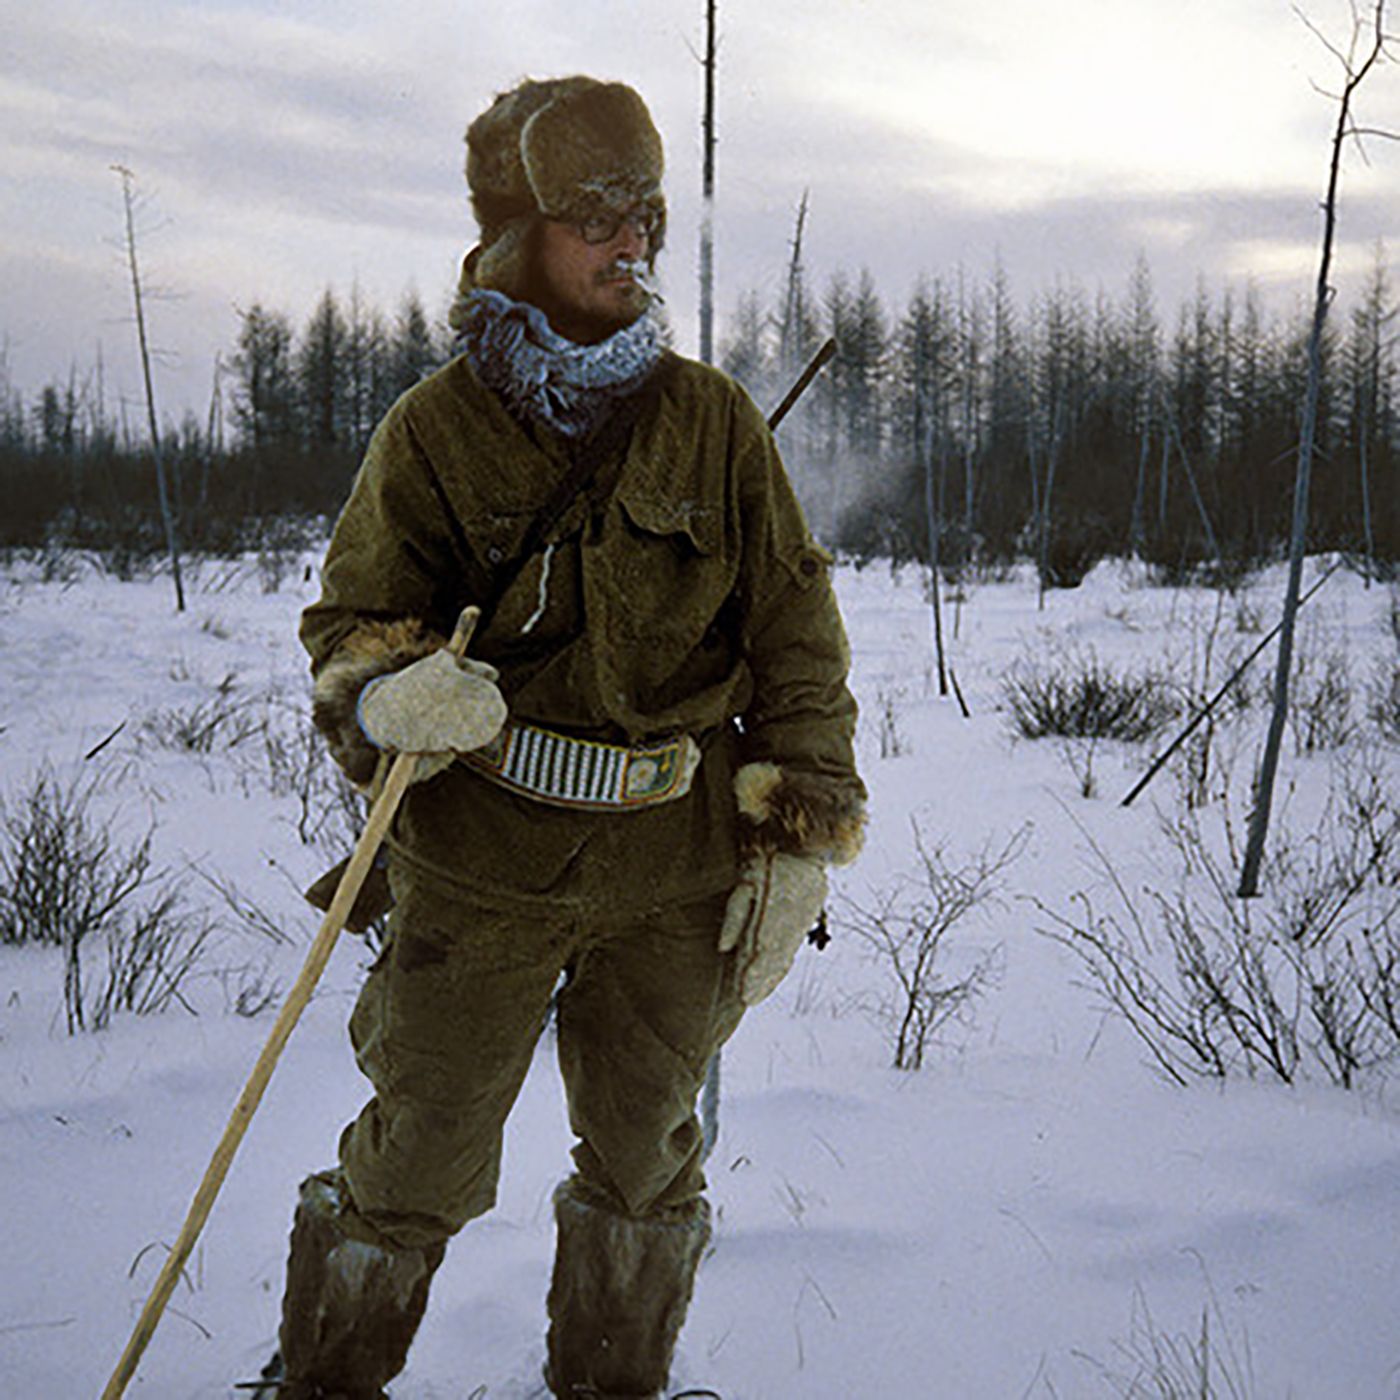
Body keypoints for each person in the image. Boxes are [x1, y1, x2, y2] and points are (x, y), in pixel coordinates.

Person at [263, 75, 865, 1400]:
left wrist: (804, 832)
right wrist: (387, 693)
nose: (629, 238)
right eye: (596, 213)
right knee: (418, 1153)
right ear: (521, 233)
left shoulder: (711, 426)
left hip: (673, 869)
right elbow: (354, 621)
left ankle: (613, 1386)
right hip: (480, 867)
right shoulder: (433, 429)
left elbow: (798, 634)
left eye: (644, 210)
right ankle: (319, 1383)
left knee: (651, 1153)